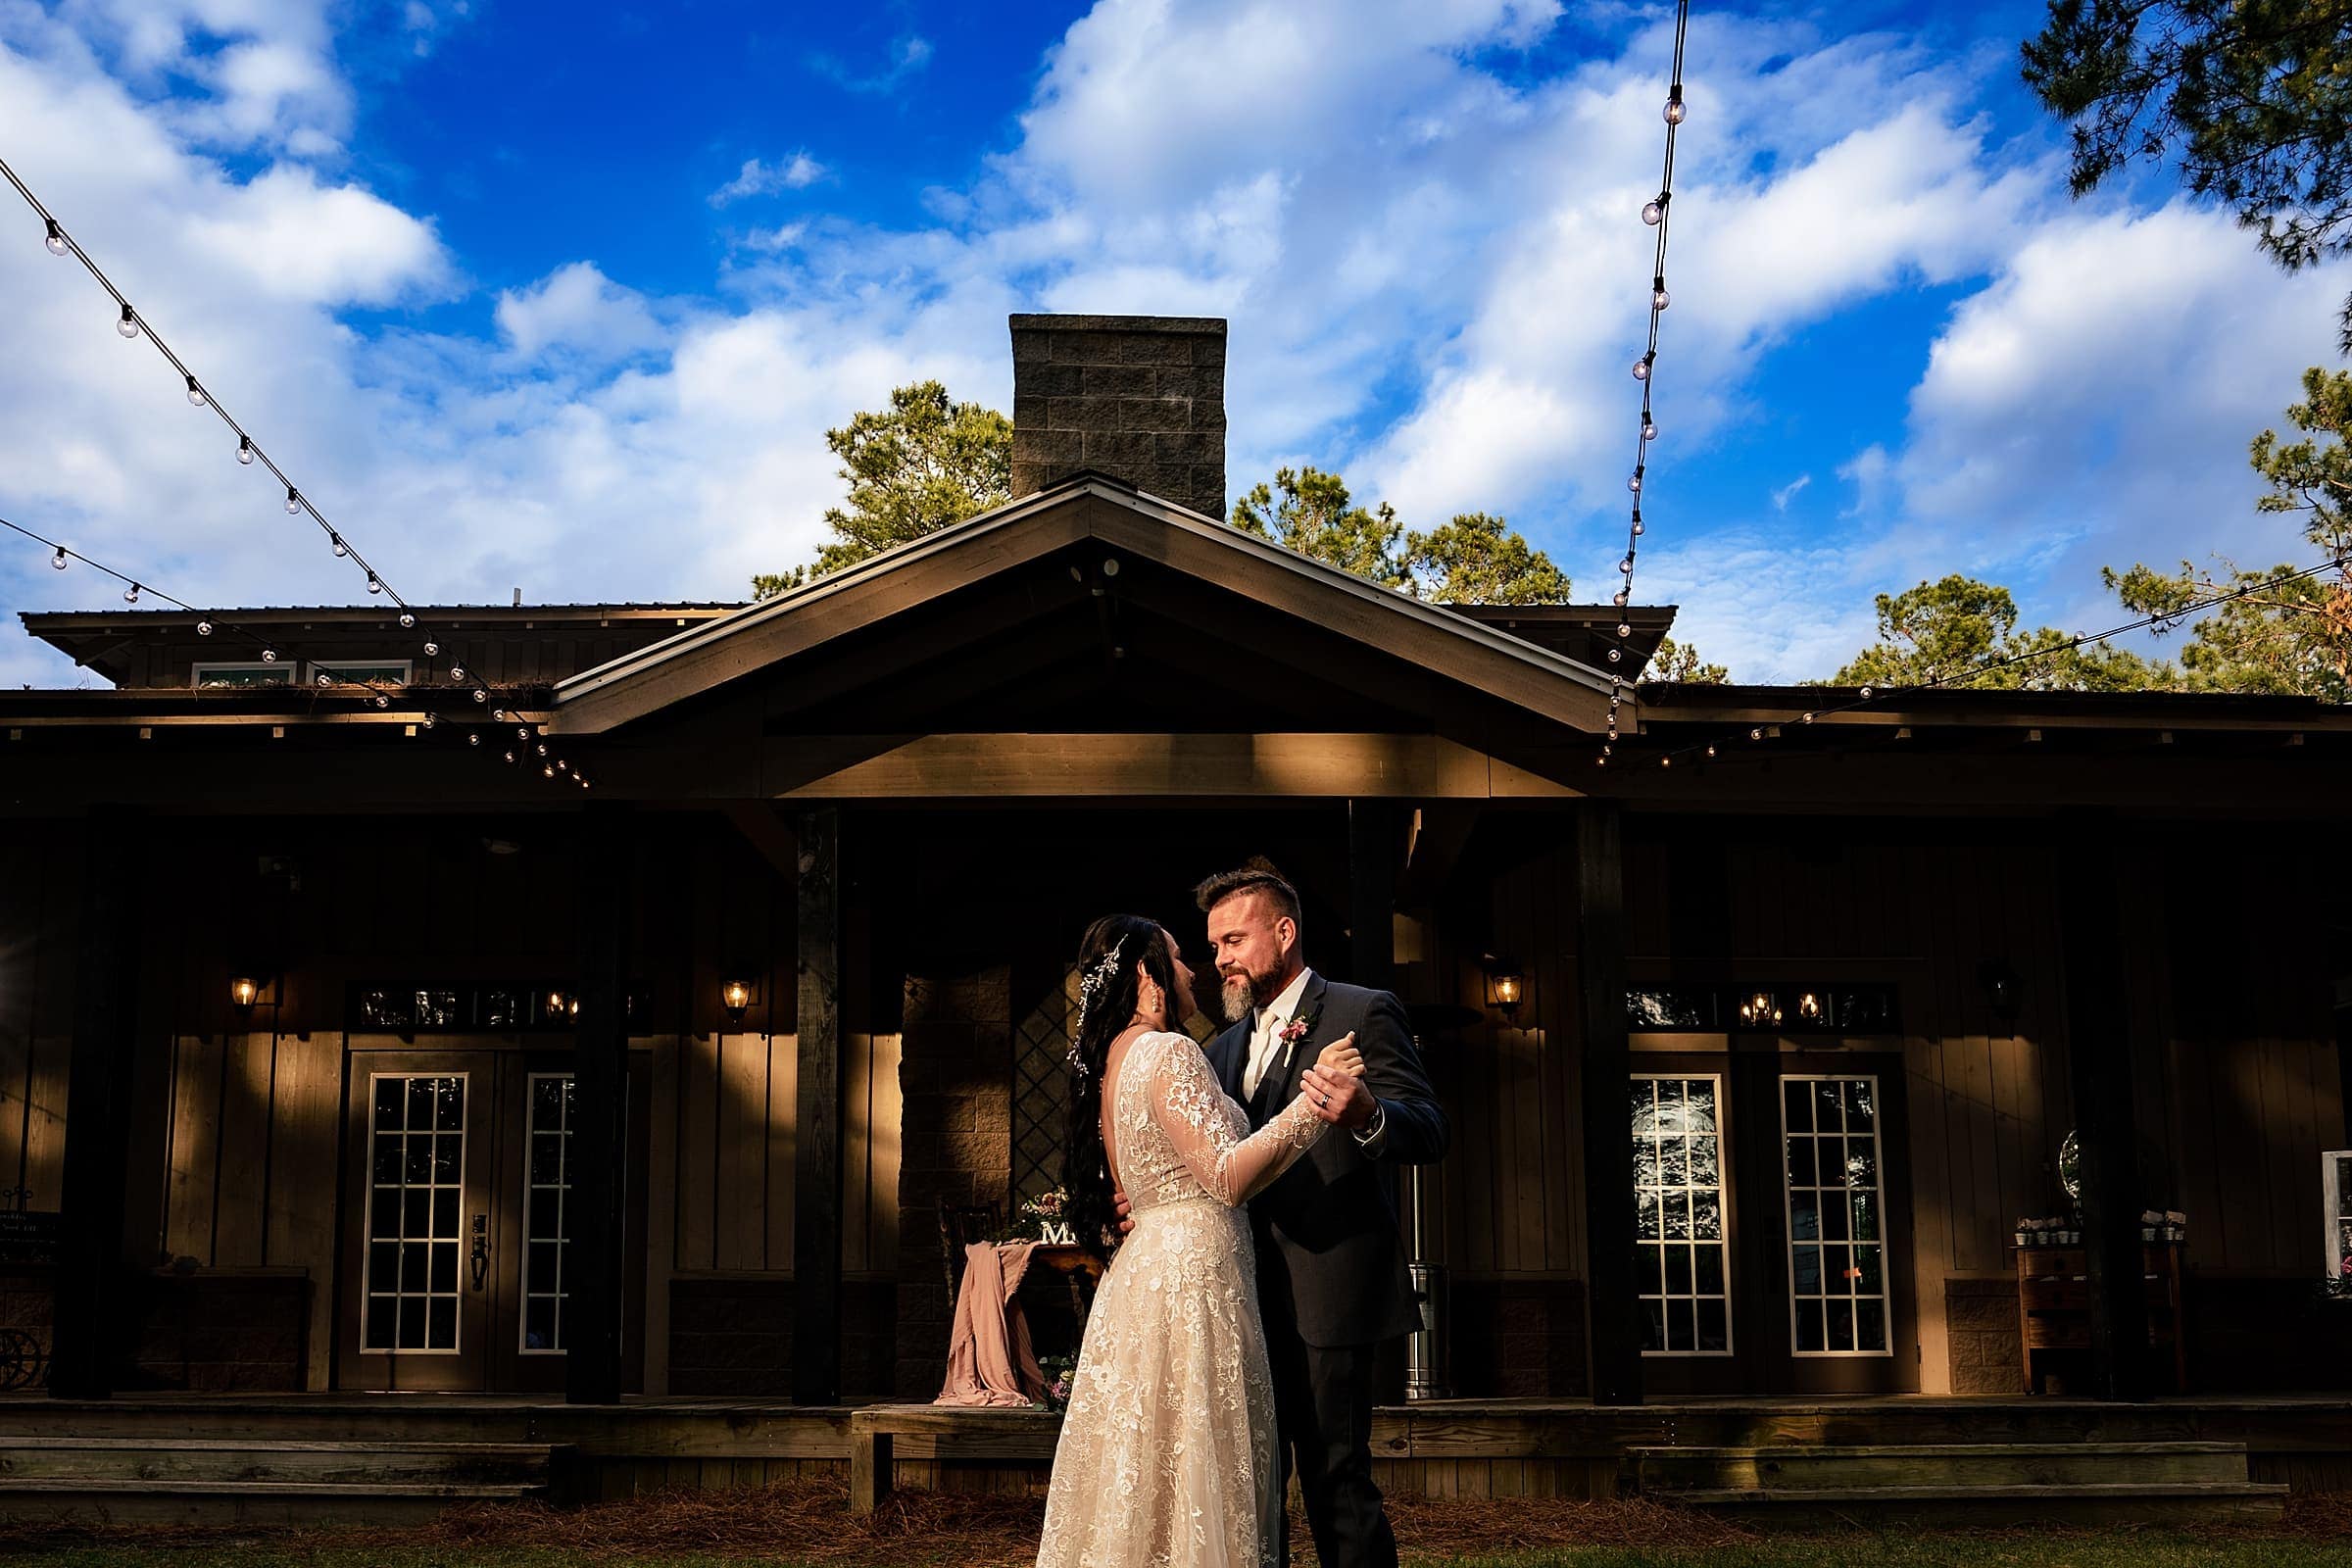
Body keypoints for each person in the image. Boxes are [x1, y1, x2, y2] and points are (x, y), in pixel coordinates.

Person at [1036, 912, 1365, 1568]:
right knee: (1199, 1458)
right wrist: (1314, 1102)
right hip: (1193, 1282)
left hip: (1147, 1276)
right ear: (1145, 971)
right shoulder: (1169, 1052)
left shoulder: (1112, 1062)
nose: (1194, 970)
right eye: (1181, 956)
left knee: (1153, 1469)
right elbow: (1225, 1175)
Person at [1196, 858, 1447, 1568]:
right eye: (1214, 946)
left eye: (1234, 940)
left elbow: (1430, 1127)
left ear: (1284, 932)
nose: (1221, 959)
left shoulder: (1361, 1011)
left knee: (1334, 1476)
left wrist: (1368, 1114)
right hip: (1241, 1295)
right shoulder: (1219, 1049)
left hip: (1331, 1291)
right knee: (1254, 1484)